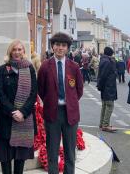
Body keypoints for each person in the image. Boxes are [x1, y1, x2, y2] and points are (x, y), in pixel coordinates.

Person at [38, 32, 83, 174]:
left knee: (70, 152)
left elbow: (79, 90)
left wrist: (70, 103)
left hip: (70, 114)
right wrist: (51, 101)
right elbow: (41, 90)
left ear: (68, 48)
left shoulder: (74, 67)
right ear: (52, 46)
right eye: (57, 45)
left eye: (63, 45)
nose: (60, 48)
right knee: (52, 151)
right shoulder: (45, 66)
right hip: (53, 114)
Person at [0, 40, 37, 174]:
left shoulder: (30, 69)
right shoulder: (2, 69)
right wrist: (13, 111)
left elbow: (33, 93)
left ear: (24, 52)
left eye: (20, 49)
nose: (17, 52)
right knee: (5, 159)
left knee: (20, 159)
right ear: (10, 52)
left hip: (24, 120)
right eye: (14, 49)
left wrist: (23, 112)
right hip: (6, 119)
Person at [97, 47, 118, 132]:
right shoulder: (108, 62)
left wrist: (100, 86)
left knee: (105, 105)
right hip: (108, 87)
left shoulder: (103, 60)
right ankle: (105, 125)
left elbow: (102, 75)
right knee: (109, 105)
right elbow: (104, 75)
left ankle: (102, 123)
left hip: (105, 87)